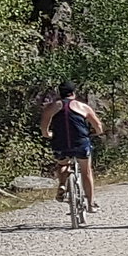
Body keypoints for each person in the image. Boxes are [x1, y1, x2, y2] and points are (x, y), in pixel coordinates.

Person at [38, 82, 103, 212]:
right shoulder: (83, 107)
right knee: (86, 171)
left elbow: (44, 129)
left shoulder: (52, 107)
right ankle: (90, 204)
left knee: (62, 164)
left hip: (60, 143)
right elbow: (99, 127)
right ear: (74, 92)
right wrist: (95, 133)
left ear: (59, 93)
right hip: (80, 143)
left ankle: (62, 184)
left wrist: (49, 134)